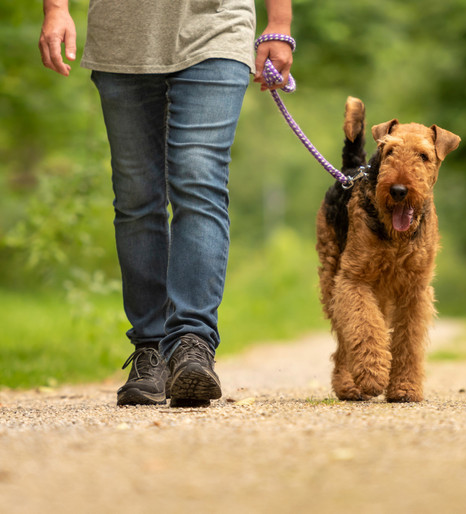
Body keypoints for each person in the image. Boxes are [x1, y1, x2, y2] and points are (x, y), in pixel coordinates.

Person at [39, 0, 293, 407]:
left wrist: (279, 24)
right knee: (137, 197)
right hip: (121, 39)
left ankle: (192, 343)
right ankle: (151, 348)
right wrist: (56, 8)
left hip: (217, 26)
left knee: (198, 180)